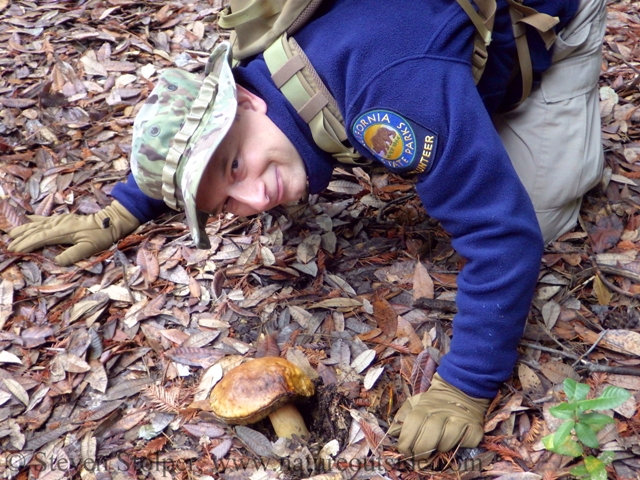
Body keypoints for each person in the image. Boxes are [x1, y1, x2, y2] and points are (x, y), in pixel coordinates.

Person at [6, 0, 606, 461]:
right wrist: (123, 210)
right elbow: (204, 141)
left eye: (235, 167)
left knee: (540, 211)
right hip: (422, 45)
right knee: (440, 117)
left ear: (248, 103)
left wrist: (464, 385)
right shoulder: (262, 70)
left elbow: (503, 240)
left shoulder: (389, 104)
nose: (256, 197)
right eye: (226, 202)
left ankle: (522, 105)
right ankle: (457, 104)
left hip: (540, 19)